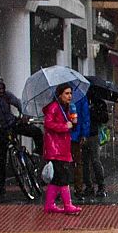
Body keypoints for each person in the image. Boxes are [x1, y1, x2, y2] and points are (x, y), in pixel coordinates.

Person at [0, 75, 43, 201]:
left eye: (2, 87)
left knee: (36, 132)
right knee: (0, 160)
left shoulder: (7, 95)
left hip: (12, 124)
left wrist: (24, 115)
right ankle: (0, 188)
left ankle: (39, 151)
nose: (0, 90)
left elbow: (18, 103)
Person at [41, 84, 82, 214]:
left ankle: (49, 204)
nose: (69, 96)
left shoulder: (67, 109)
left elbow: (70, 126)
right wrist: (64, 126)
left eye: (70, 93)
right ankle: (67, 204)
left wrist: (73, 123)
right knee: (63, 177)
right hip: (55, 149)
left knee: (57, 179)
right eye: (66, 93)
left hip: (63, 148)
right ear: (59, 95)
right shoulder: (54, 107)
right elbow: (48, 123)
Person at [83, 90, 111, 198]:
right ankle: (89, 186)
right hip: (84, 135)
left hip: (93, 134)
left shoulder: (99, 103)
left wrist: (94, 113)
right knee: (85, 162)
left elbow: (104, 119)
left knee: (95, 160)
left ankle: (101, 185)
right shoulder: (82, 101)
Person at [70, 88, 94, 201]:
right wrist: (84, 134)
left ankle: (60, 189)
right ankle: (78, 190)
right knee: (78, 163)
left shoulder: (59, 97)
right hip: (75, 135)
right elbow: (85, 117)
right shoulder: (80, 96)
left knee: (63, 163)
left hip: (66, 135)